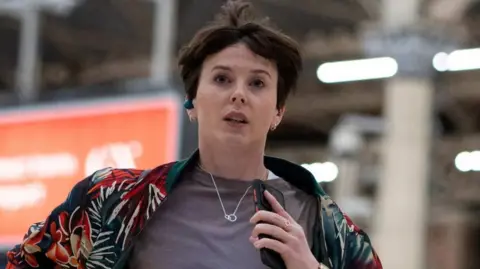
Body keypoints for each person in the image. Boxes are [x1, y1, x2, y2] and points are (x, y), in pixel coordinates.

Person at [6, 1, 382, 269]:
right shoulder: (113, 200)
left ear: (278, 112)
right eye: (221, 79)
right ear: (192, 102)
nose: (238, 94)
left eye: (257, 83)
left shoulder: (317, 218)